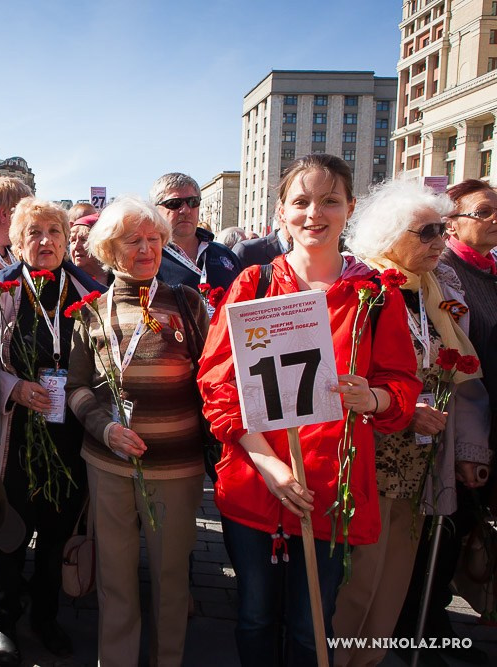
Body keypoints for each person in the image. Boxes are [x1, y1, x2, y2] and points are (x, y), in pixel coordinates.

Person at [197, 154, 421, 666]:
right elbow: (218, 383)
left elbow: (401, 385)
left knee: (309, 624)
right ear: (280, 212)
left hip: (330, 488)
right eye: (300, 201)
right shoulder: (253, 283)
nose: (313, 213)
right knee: (254, 616)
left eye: (329, 200)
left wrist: (374, 397)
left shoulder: (375, 295)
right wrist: (269, 463)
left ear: (350, 208)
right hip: (256, 482)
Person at [333, 179, 491, 667]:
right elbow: (343, 377)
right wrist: (402, 405)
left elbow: (462, 380)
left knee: (397, 576)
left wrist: (470, 451)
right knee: (359, 575)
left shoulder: (437, 291)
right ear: (389, 235)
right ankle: (337, 657)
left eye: (442, 230)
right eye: (425, 232)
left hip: (423, 457)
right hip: (373, 453)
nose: (439, 243)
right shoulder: (366, 291)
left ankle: (371, 659)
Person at [65, 196, 208, 667]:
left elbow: (214, 380)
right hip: (107, 465)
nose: (146, 249)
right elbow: (77, 387)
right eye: (134, 240)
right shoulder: (90, 312)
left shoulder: (189, 304)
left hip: (177, 467)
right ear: (110, 248)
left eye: (153, 239)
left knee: (171, 580)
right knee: (116, 579)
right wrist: (103, 428)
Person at [0, 198, 102, 665]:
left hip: (68, 434)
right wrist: (12, 388)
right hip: (15, 432)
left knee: (55, 533)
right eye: (34, 232)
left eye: (55, 231)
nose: (46, 241)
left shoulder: (89, 291)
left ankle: (45, 617)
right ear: (17, 240)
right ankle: (2, 621)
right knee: (9, 531)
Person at [394, 178, 497, 665]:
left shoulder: (472, 276)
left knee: (450, 537)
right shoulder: (428, 277)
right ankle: (415, 630)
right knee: (422, 543)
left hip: (465, 427)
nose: (496, 219)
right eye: (484, 211)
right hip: (418, 435)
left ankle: (429, 625)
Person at [150, 173, 241, 290]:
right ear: (154, 210)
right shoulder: (147, 257)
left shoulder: (224, 254)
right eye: (174, 203)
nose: (186, 210)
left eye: (193, 201)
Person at [69, 213, 110, 285]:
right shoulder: (66, 278)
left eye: (83, 240)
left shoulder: (118, 278)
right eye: (73, 240)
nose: (76, 247)